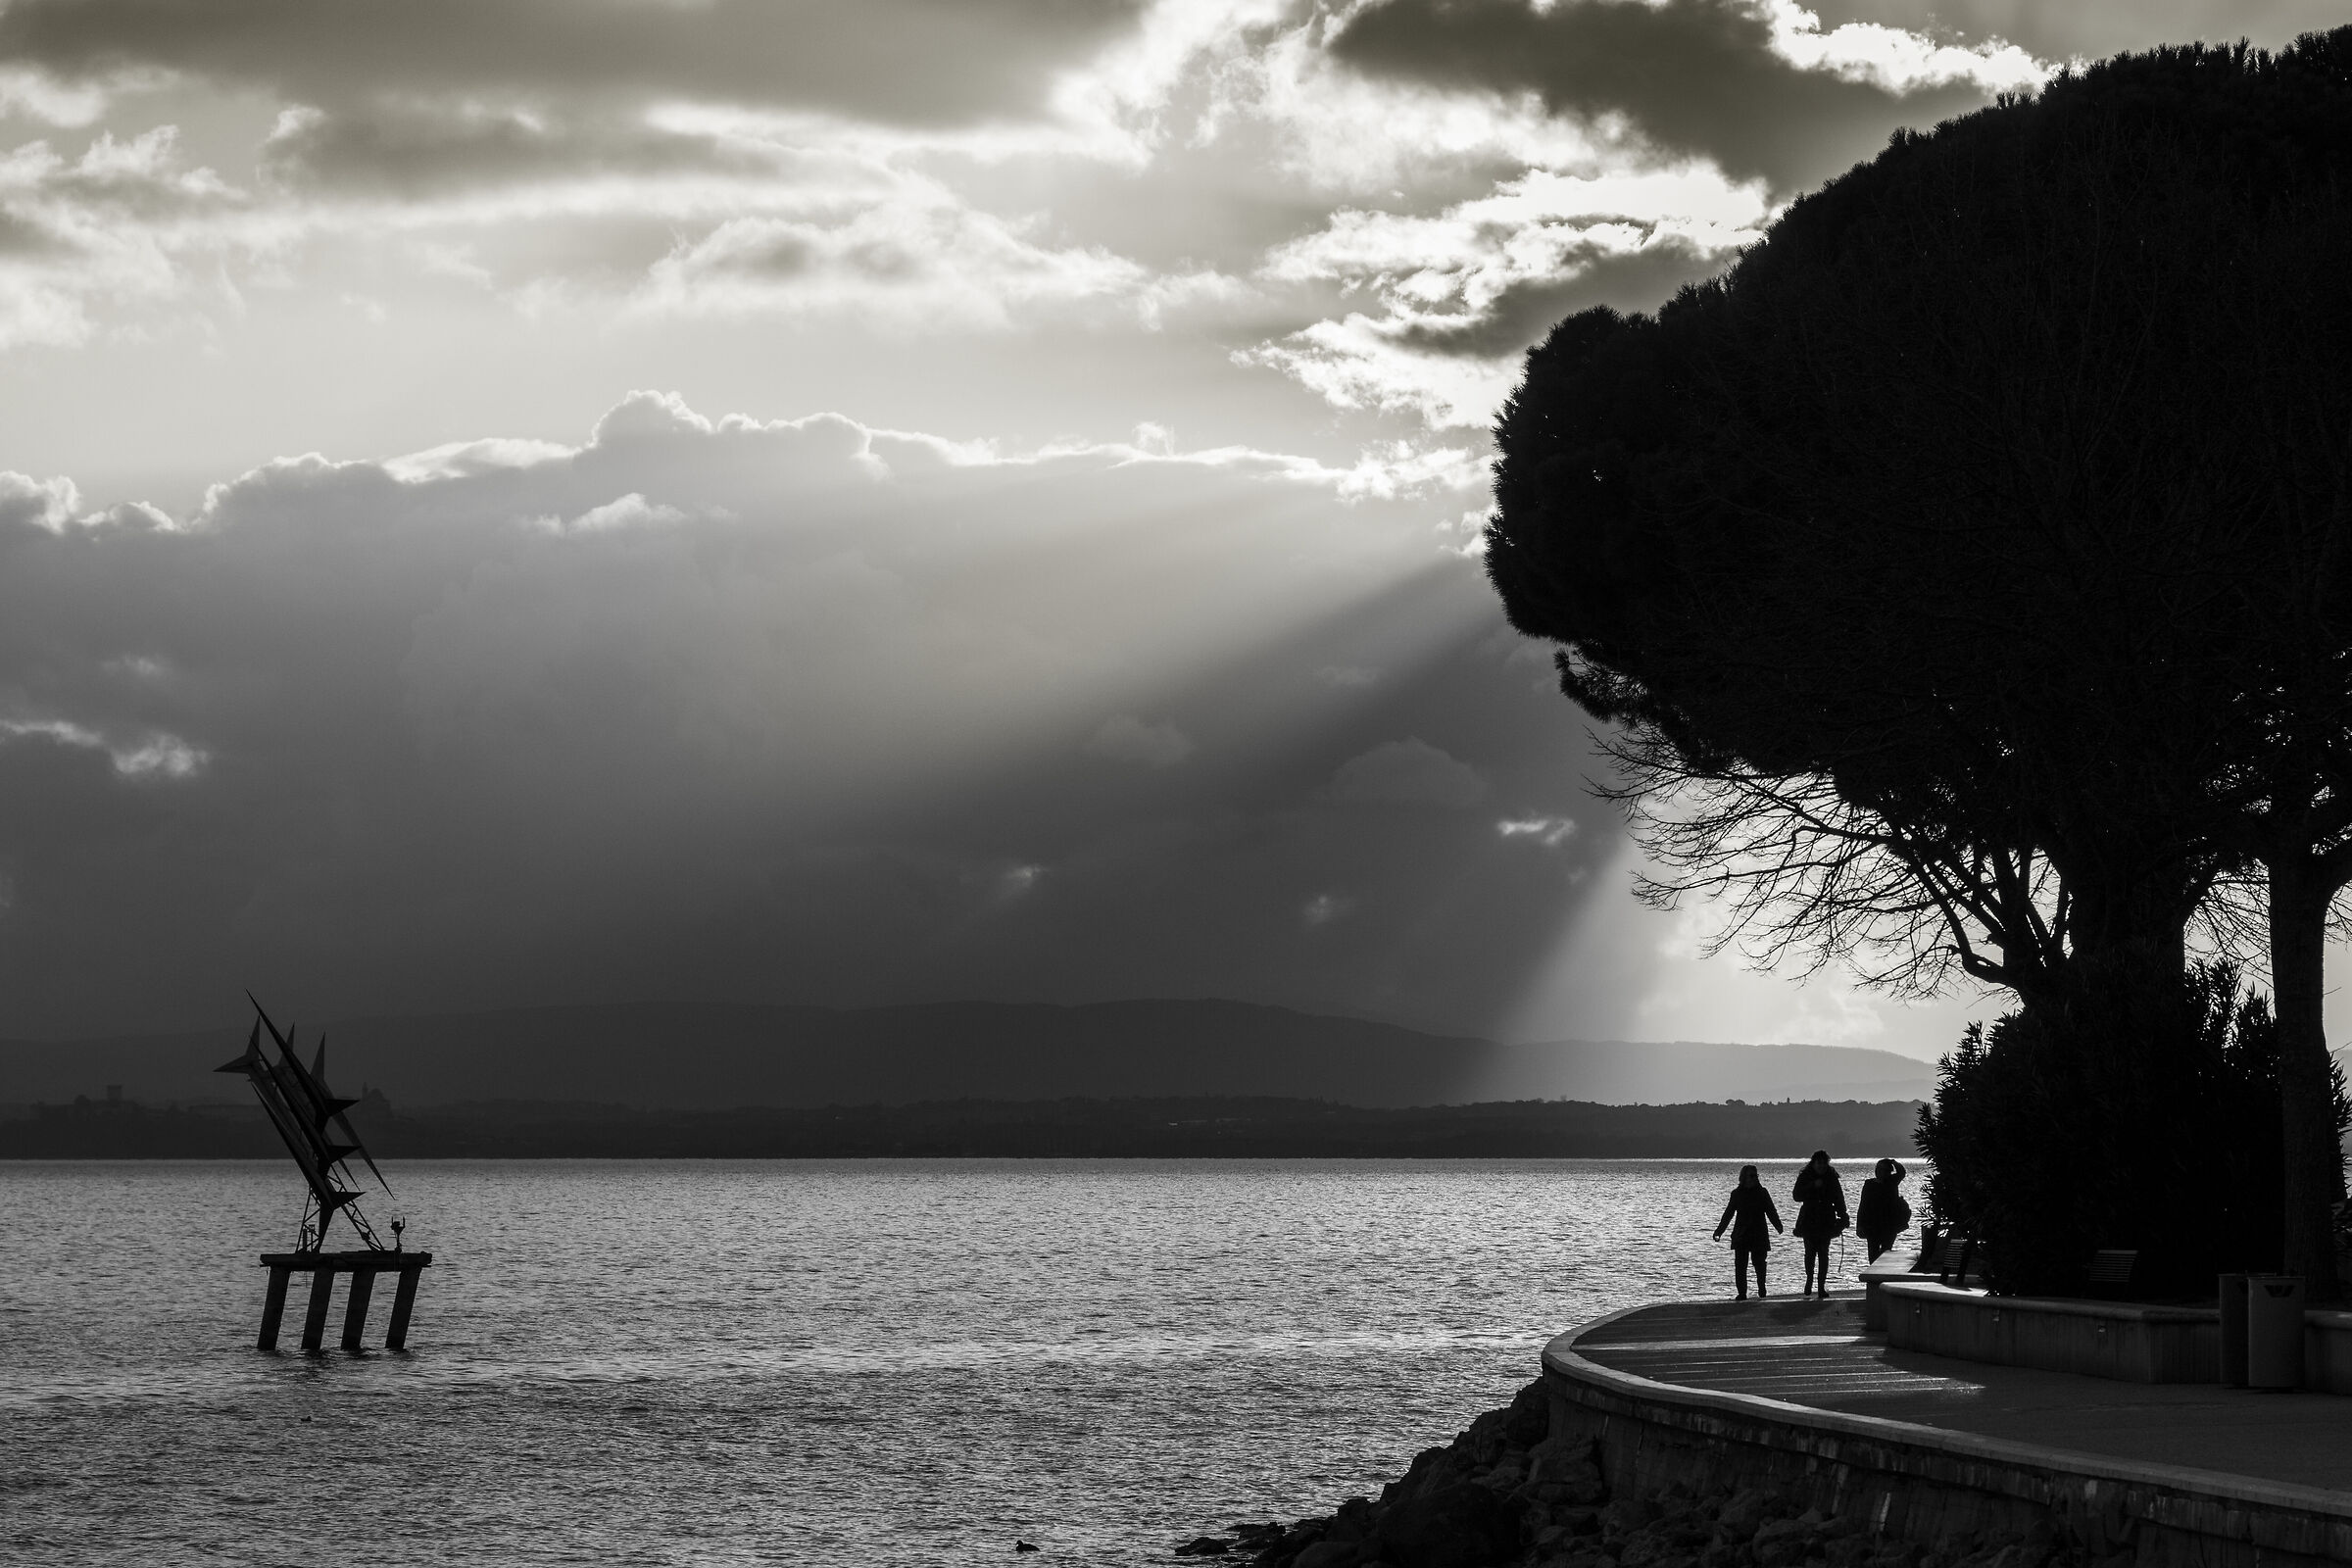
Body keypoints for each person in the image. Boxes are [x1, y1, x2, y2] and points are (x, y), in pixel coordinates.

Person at [1713, 1164, 1785, 1299]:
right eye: (1751, 1176)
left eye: (1756, 1175)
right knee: (1740, 1265)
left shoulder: (1762, 1192)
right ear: (1744, 1177)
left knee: (1759, 1263)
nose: (1754, 1178)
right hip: (1741, 1234)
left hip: (1759, 1233)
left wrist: (1778, 1225)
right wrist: (1719, 1231)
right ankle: (1742, 1293)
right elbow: (1728, 1214)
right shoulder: (1736, 1194)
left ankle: (1761, 1288)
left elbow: (1771, 1210)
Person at [1790, 1151, 1849, 1297]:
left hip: (1826, 1218)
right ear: (1814, 1163)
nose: (1822, 1166)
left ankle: (1821, 1286)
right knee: (1809, 1252)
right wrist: (1812, 1186)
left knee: (1824, 1253)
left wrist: (1843, 1217)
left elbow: (1839, 1199)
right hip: (1809, 1218)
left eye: (1824, 1163)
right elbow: (1796, 1196)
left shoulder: (1832, 1178)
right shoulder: (1805, 1176)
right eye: (1819, 1163)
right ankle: (1809, 1280)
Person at [1855, 1157, 1912, 1264]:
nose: (1883, 1173)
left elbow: (1902, 1172)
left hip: (1889, 1225)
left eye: (1886, 1171)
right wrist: (1859, 1225)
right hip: (1872, 1226)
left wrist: (1893, 1162)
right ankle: (1873, 1278)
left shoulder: (1892, 1181)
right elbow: (1863, 1206)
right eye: (1880, 1170)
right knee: (1873, 1256)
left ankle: (1882, 1276)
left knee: (1886, 1253)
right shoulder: (1869, 1184)